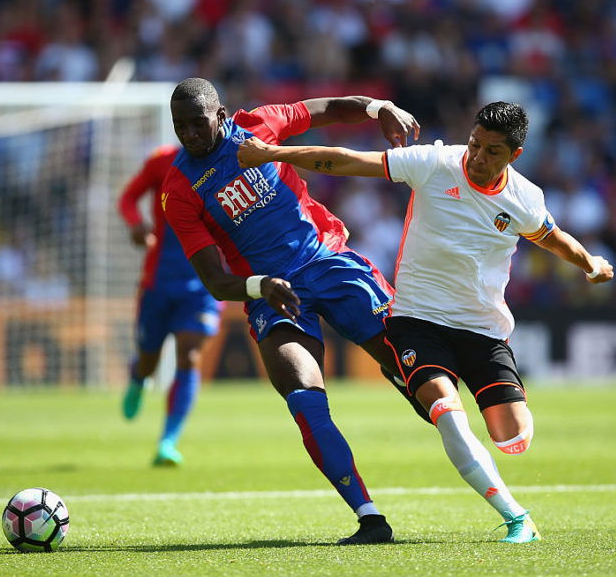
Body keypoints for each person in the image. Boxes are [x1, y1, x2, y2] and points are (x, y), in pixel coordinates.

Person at [238, 100, 615, 543]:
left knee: (511, 437)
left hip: (482, 328)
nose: (477, 156)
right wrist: (273, 154)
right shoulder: (434, 163)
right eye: (475, 143)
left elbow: (552, 238)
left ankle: (505, 427)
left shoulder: (525, 199)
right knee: (446, 413)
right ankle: (516, 518)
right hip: (417, 320)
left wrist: (590, 265)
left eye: (492, 152)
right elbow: (345, 161)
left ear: (514, 156)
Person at [161, 77, 421, 545]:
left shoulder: (257, 124)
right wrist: (261, 286)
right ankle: (370, 518)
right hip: (273, 295)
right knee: (303, 394)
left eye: (198, 124)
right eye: (181, 127)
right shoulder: (178, 189)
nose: (190, 136)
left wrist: (379, 106)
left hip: (329, 260)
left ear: (221, 116)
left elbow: (327, 108)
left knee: (418, 368)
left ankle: (407, 376)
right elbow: (217, 283)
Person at [117, 144, 223, 466]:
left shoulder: (233, 162)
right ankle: (139, 376)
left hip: (203, 282)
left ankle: (168, 441)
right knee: (150, 360)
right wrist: (136, 224)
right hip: (159, 282)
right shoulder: (161, 161)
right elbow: (127, 198)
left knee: (189, 356)